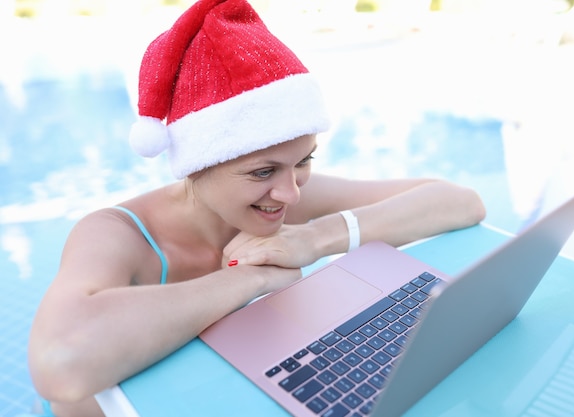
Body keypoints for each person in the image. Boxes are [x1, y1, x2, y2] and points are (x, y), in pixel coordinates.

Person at [27, 0, 486, 416]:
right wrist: (251, 277)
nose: (290, 194)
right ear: (196, 167)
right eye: (262, 172)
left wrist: (316, 237)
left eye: (304, 161)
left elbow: (459, 201)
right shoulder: (116, 233)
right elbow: (59, 366)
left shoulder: (284, 200)